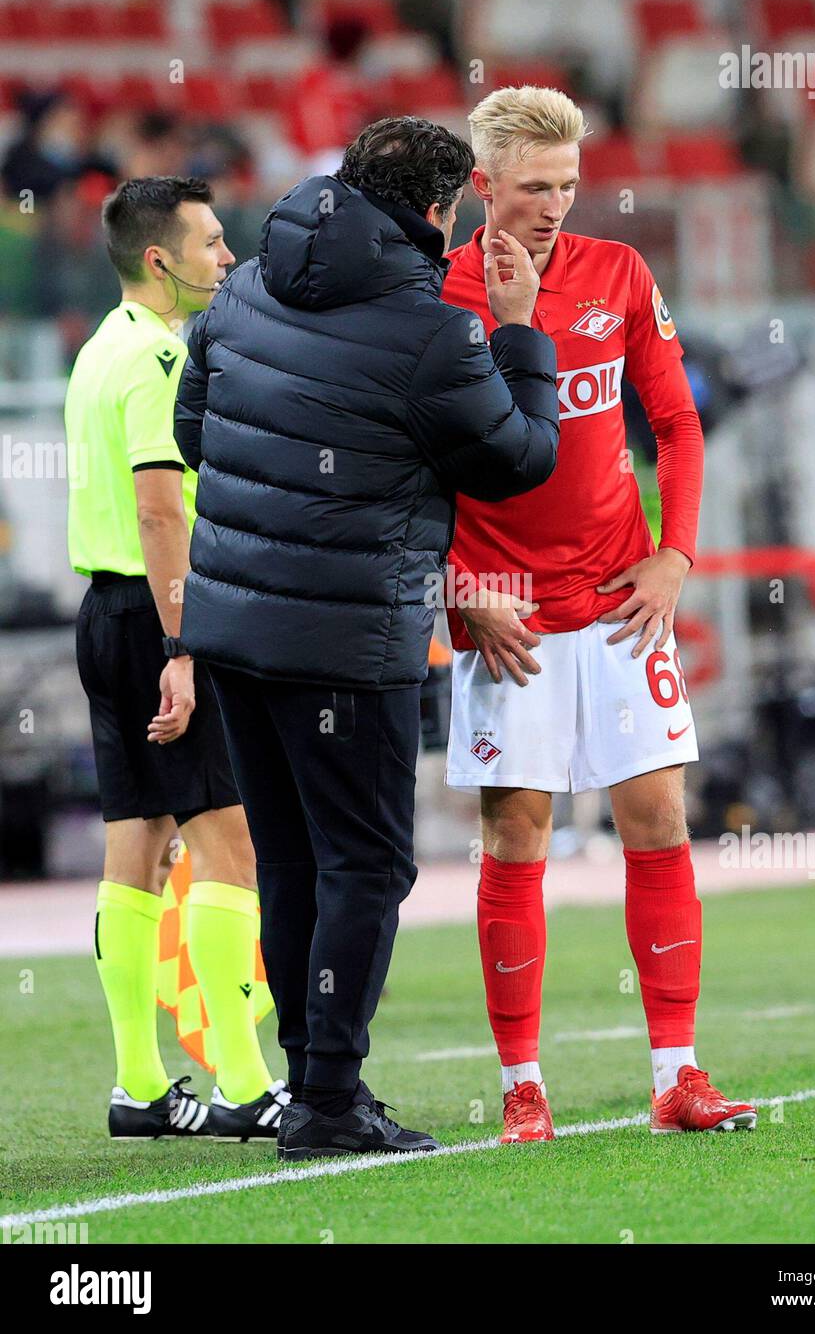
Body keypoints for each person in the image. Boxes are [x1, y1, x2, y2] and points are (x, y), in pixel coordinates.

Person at [173, 117, 560, 1160]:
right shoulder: (431, 331)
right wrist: (520, 334)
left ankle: (312, 1083)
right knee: (363, 865)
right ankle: (330, 1098)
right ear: (438, 211)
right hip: (345, 640)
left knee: (293, 859)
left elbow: (193, 434)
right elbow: (517, 460)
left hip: (233, 625)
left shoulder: (245, 283)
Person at [442, 86, 757, 1141]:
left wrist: (676, 553)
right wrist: (455, 585)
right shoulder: (439, 295)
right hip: (506, 617)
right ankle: (522, 1084)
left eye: (568, 186)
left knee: (659, 819)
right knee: (516, 835)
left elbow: (675, 419)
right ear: (482, 185)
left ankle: (677, 1072)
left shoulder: (617, 273)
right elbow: (405, 467)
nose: (553, 206)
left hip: (622, 599)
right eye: (533, 187)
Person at [65, 177, 289, 1141]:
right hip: (158, 620)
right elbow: (163, 510)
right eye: (211, 242)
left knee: (137, 844)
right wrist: (183, 645)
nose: (227, 257)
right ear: (161, 260)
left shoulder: (99, 349)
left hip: (104, 614)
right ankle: (244, 1086)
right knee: (229, 846)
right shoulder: (159, 358)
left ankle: (138, 1086)